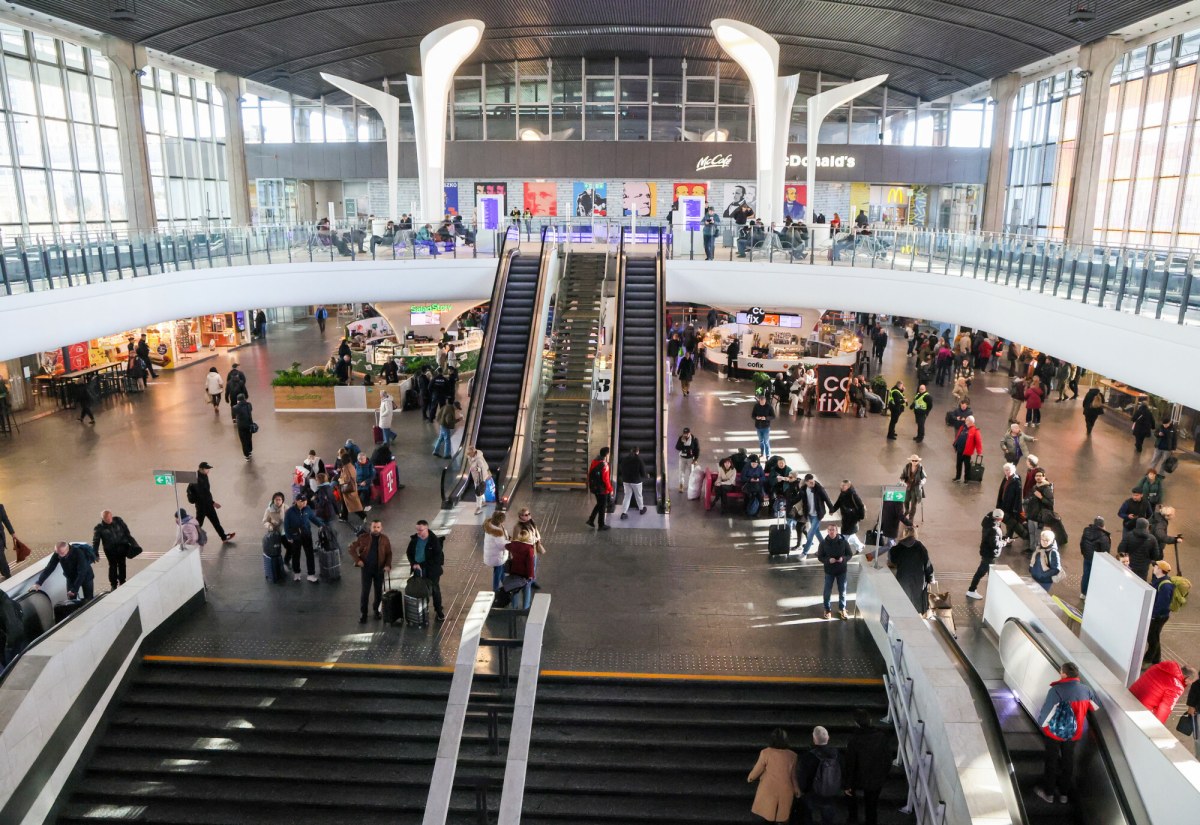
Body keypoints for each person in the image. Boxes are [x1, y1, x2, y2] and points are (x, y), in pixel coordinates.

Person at [1034, 662, 1098, 805]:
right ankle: (1064, 794)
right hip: (1073, 734)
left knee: (1051, 761)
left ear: (1063, 674)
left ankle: (1049, 793)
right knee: (1068, 761)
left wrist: (1042, 725)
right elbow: (1095, 707)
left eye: (1061, 671)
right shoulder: (1086, 690)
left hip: (1054, 733)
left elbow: (1047, 713)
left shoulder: (1056, 690)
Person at [844, 708, 893, 825]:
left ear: (856, 723)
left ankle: (853, 818)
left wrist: (847, 784)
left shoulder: (853, 740)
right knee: (872, 806)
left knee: (850, 798)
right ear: (870, 720)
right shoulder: (881, 737)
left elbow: (850, 763)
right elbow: (888, 759)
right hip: (876, 778)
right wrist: (882, 775)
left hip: (858, 777)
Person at [746, 728, 800, 824]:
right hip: (785, 789)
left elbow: (758, 769)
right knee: (782, 815)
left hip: (768, 789)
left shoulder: (765, 752)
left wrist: (750, 778)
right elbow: (793, 776)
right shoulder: (793, 755)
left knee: (768, 814)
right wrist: (796, 789)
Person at [347, 519, 392, 623]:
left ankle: (376, 611)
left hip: (379, 569)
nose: (376, 529)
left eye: (378, 527)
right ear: (370, 528)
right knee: (365, 592)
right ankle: (363, 613)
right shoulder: (363, 537)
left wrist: (388, 565)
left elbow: (389, 553)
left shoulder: (385, 539)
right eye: (374, 527)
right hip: (366, 569)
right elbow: (351, 548)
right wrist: (358, 560)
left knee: (378, 592)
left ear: (381, 528)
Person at [797, 725, 844, 823]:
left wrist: (802, 790)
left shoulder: (807, 757)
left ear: (814, 739)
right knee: (828, 818)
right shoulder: (837, 755)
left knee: (808, 816)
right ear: (828, 738)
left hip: (812, 792)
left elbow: (802, 777)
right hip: (831, 792)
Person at [1129, 661, 1196, 723]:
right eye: (1191, 682)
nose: (1189, 684)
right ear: (1187, 678)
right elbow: (1165, 708)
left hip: (1130, 694)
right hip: (1140, 708)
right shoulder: (1177, 687)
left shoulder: (1160, 666)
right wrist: (1157, 724)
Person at [30, 541, 95, 603]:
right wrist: (38, 583)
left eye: (62, 553)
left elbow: (82, 573)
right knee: (71, 601)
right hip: (71, 578)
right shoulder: (58, 553)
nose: (60, 555)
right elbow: (49, 568)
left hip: (86, 577)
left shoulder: (78, 553)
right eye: (58, 553)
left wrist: (74, 589)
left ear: (68, 549)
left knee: (89, 599)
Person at [407, 520, 446, 622]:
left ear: (427, 529)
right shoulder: (414, 539)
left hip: (432, 571)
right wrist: (413, 563)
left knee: (435, 590)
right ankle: (424, 608)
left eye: (420, 530)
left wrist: (421, 565)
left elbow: (437, 559)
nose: (418, 532)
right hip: (418, 569)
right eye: (417, 530)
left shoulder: (434, 541)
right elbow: (409, 552)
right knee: (421, 589)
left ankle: (439, 610)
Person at [890, 525, 935, 614]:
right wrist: (930, 577)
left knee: (904, 601)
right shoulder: (920, 547)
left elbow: (893, 560)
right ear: (915, 534)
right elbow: (927, 564)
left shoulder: (898, 547)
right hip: (918, 580)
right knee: (917, 603)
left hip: (903, 578)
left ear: (904, 534)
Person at [967, 510, 1010, 599]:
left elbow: (993, 539)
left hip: (987, 552)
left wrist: (1002, 538)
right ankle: (971, 590)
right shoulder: (994, 529)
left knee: (990, 574)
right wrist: (1005, 542)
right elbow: (994, 544)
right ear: (1000, 519)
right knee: (980, 572)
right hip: (989, 555)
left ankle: (991, 592)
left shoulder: (988, 523)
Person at [91, 510, 137, 591]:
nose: (109, 520)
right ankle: (113, 584)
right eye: (106, 519)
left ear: (111, 516)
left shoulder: (118, 521)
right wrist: (95, 553)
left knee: (122, 564)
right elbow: (96, 541)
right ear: (103, 519)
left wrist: (133, 543)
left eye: (110, 518)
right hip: (110, 551)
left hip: (122, 547)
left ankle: (122, 581)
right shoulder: (99, 528)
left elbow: (127, 532)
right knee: (113, 566)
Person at [190, 462, 235, 542]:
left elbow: (206, 492)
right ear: (201, 469)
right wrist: (213, 503)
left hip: (208, 504)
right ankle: (191, 538)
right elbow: (202, 495)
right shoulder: (197, 480)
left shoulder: (204, 476)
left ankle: (223, 537)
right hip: (202, 506)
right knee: (199, 524)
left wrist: (211, 503)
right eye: (207, 469)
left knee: (215, 522)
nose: (208, 470)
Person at [283, 495, 323, 583]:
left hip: (306, 535)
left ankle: (311, 575)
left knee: (310, 555)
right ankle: (297, 573)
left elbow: (313, 518)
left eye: (305, 501)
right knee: (296, 555)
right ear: (297, 501)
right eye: (302, 501)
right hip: (295, 536)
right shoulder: (290, 512)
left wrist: (321, 525)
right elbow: (286, 525)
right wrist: (288, 537)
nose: (304, 503)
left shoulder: (307, 509)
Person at [794, 474, 834, 557]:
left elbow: (827, 499)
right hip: (810, 514)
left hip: (817, 514)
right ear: (806, 482)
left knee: (810, 534)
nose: (813, 483)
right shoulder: (803, 489)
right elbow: (797, 498)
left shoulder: (819, 489)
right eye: (810, 482)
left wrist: (831, 509)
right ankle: (827, 549)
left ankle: (804, 553)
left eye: (813, 481)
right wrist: (788, 505)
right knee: (816, 532)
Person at [817, 525, 851, 620]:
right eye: (830, 530)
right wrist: (828, 560)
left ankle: (842, 609)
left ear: (836, 531)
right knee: (827, 591)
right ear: (827, 531)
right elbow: (820, 557)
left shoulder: (843, 542)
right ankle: (827, 609)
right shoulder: (823, 543)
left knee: (842, 591)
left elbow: (849, 554)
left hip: (841, 570)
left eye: (833, 530)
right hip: (829, 571)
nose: (831, 531)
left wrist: (843, 559)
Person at [1146, 561, 1177, 664]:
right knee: (1154, 636)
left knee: (1152, 638)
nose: (1153, 568)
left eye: (1155, 566)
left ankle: (1148, 659)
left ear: (1160, 569)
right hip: (1157, 615)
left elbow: (1162, 605)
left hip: (1159, 616)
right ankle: (1156, 659)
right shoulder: (1158, 579)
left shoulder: (1165, 586)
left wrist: (1153, 615)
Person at [504, 525, 537, 610]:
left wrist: (511, 539)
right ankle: (525, 607)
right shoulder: (529, 549)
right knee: (526, 589)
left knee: (514, 589)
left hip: (514, 570)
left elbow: (506, 546)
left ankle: (514, 607)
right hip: (524, 574)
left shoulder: (514, 545)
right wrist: (531, 576)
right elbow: (530, 564)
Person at [830, 480, 866, 555]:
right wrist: (833, 510)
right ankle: (860, 546)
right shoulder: (842, 494)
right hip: (845, 518)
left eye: (844, 485)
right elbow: (838, 503)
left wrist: (861, 517)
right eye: (841, 485)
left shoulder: (853, 495)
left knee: (845, 535)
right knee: (850, 534)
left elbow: (861, 506)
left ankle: (842, 552)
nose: (842, 487)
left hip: (852, 518)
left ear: (848, 486)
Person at [1119, 516, 1160, 581]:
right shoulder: (1152, 539)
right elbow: (1156, 555)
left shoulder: (1129, 535)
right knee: (1140, 582)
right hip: (1143, 567)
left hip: (1129, 564)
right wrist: (1148, 559)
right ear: (1147, 526)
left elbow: (1120, 549)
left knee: (1127, 581)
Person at [1079, 517, 1111, 600]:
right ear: (1103, 525)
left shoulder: (1086, 530)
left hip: (1087, 557)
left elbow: (1082, 543)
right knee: (1094, 577)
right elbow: (1105, 552)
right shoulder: (1104, 537)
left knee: (1086, 574)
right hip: (1096, 560)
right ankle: (1090, 595)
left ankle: (1083, 593)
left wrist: (1083, 553)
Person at [996, 463, 1025, 542]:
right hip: (1004, 504)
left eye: (1009, 470)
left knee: (1010, 522)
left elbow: (1018, 496)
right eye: (1006, 470)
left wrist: (1016, 508)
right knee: (1005, 520)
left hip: (1011, 506)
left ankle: (1009, 538)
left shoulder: (1016, 481)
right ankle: (1007, 536)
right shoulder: (1006, 478)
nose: (1007, 472)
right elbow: (1001, 491)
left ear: (1013, 470)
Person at [586, 448, 614, 531]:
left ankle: (591, 520)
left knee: (599, 504)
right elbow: (606, 479)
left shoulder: (594, 461)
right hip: (602, 489)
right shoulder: (605, 465)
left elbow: (590, 473)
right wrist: (610, 489)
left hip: (595, 487)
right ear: (606, 455)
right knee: (602, 506)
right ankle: (601, 525)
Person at [619, 446, 648, 519]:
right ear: (638, 451)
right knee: (638, 495)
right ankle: (641, 509)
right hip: (636, 481)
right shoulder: (639, 459)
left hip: (626, 480)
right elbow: (643, 471)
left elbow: (621, 468)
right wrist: (646, 476)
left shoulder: (625, 459)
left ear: (631, 451)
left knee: (627, 496)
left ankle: (624, 513)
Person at [483, 511, 509, 592]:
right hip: (497, 556)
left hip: (492, 554)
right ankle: (496, 589)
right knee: (498, 571)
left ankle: (506, 585)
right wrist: (510, 543)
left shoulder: (489, 526)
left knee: (500, 570)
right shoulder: (497, 533)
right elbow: (502, 546)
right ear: (500, 521)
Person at [337, 451, 366, 524]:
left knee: (353, 505)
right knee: (346, 503)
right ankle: (344, 516)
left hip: (348, 490)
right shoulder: (351, 466)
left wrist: (340, 480)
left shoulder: (346, 468)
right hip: (352, 488)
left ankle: (363, 516)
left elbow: (346, 479)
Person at [952, 415, 983, 483]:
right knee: (958, 465)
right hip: (959, 450)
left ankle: (966, 479)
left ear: (971, 422)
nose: (966, 421)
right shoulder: (963, 427)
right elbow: (958, 435)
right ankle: (957, 477)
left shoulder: (975, 430)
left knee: (967, 466)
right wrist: (955, 443)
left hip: (967, 452)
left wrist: (979, 452)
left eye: (967, 420)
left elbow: (978, 442)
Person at [899, 455, 925, 521]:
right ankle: (907, 510)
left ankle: (911, 518)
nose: (914, 462)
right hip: (908, 486)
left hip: (915, 488)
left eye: (916, 461)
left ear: (918, 461)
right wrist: (902, 480)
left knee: (913, 504)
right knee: (905, 500)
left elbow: (924, 477)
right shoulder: (907, 466)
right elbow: (903, 475)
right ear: (911, 461)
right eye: (913, 460)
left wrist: (922, 482)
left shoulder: (920, 468)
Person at [675, 428, 701, 492]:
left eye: (687, 434)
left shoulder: (694, 439)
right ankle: (681, 485)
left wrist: (696, 459)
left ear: (690, 433)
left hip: (690, 458)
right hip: (682, 458)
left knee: (691, 473)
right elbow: (677, 447)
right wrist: (682, 442)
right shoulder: (681, 438)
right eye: (684, 433)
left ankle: (690, 485)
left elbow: (697, 449)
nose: (686, 435)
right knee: (681, 472)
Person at [232, 393, 255, 460]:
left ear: (238, 400)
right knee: (249, 438)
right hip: (249, 424)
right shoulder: (249, 404)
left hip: (241, 426)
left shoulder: (235, 407)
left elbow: (234, 413)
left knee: (243, 440)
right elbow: (250, 410)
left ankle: (246, 455)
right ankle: (250, 450)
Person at [0, 501, 18, 580]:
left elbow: (6, 520)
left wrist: (12, 533)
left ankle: (7, 574)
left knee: (0, 556)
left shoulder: (0, 507)